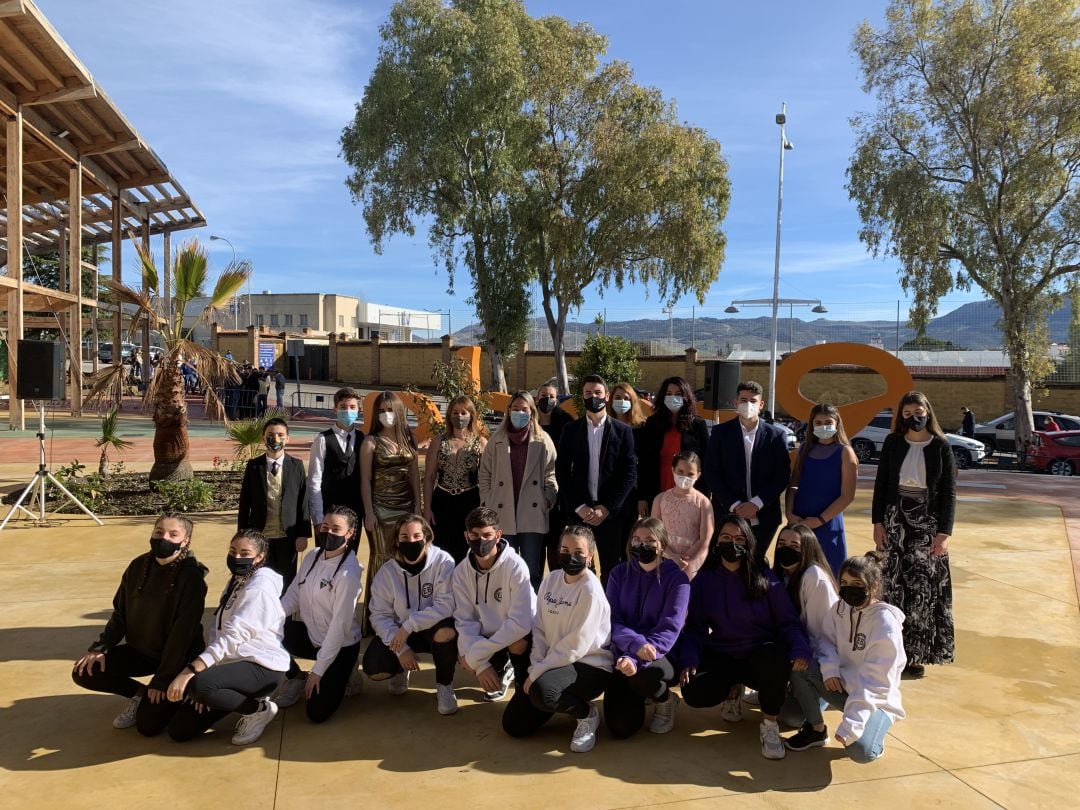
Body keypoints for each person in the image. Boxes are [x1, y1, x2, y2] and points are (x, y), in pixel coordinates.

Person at [678, 514, 812, 760]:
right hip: (723, 653)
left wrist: (800, 649)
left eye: (739, 538)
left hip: (759, 654)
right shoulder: (705, 580)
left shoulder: (764, 578)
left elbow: (788, 622)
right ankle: (732, 690)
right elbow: (695, 627)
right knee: (693, 692)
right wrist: (689, 658)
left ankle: (769, 725)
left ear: (749, 543)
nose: (732, 543)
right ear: (717, 542)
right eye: (726, 537)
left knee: (774, 658)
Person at [72, 513, 208, 736]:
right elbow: (120, 614)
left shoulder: (191, 577)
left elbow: (182, 635)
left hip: (177, 658)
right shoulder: (137, 566)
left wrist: (162, 680)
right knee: (85, 671)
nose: (164, 538)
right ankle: (139, 695)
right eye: (159, 532)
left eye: (173, 534)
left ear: (185, 541)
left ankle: (180, 693)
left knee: (148, 726)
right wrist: (101, 647)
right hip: (142, 652)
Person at [165, 530, 289, 745]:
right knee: (179, 731)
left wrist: (192, 673)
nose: (237, 558)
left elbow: (233, 636)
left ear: (259, 557)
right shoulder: (238, 579)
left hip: (262, 666)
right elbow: (218, 629)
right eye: (233, 551)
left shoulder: (259, 588)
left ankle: (259, 709)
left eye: (245, 553)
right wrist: (214, 673)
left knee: (200, 685)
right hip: (232, 664)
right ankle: (235, 695)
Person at [784, 551, 906, 763]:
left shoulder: (885, 624)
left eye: (857, 583)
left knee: (860, 751)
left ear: (874, 586)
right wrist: (830, 670)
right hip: (842, 687)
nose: (849, 589)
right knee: (798, 681)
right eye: (844, 582)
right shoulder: (840, 608)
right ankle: (816, 729)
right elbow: (826, 642)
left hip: (876, 699)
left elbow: (875, 682)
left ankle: (875, 736)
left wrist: (852, 724)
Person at [502, 525, 613, 753]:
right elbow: (540, 628)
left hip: (589, 665)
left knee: (544, 691)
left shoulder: (590, 590)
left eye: (578, 552)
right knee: (514, 725)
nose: (570, 556)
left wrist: (537, 672)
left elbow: (575, 646)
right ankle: (552, 697)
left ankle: (586, 714)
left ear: (590, 557)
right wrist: (537, 664)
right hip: (554, 662)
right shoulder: (551, 579)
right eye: (564, 549)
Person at [872, 391, 955, 679]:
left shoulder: (941, 446)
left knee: (922, 588)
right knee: (894, 584)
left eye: (918, 411)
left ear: (928, 411)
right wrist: (878, 523)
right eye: (907, 413)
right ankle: (893, 650)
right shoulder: (893, 442)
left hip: (927, 523)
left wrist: (944, 533)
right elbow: (881, 484)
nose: (913, 417)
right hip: (895, 519)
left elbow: (948, 493)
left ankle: (917, 655)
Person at [275, 506, 364, 723]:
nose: (329, 533)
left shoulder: (348, 573)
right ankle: (296, 677)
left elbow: (339, 627)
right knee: (268, 633)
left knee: (316, 712)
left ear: (350, 533)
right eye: (325, 527)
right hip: (313, 637)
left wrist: (319, 669)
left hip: (340, 646)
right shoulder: (313, 556)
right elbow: (294, 595)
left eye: (336, 529)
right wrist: (267, 619)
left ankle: (347, 672)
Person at [362, 514, 459, 715]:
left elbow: (447, 605)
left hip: (431, 629)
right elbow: (379, 615)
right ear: (396, 541)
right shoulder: (387, 571)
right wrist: (401, 649)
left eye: (417, 536)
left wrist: (409, 626)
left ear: (426, 537)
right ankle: (400, 668)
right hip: (400, 635)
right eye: (404, 537)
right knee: (374, 667)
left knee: (447, 633)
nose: (411, 541)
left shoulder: (443, 561)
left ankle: (444, 686)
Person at [603, 518, 690, 738]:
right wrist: (634, 646)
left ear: (662, 545)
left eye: (650, 540)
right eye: (637, 539)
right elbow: (611, 620)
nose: (642, 545)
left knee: (646, 676)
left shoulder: (678, 579)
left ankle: (665, 700)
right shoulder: (618, 574)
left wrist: (638, 656)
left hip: (661, 652)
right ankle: (640, 694)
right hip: (623, 651)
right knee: (620, 728)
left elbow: (670, 627)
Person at [556, 374, 638, 585]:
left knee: (611, 568)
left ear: (607, 396)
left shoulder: (623, 431)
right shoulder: (571, 430)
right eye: (588, 393)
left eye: (598, 393)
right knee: (579, 567)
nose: (594, 397)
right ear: (582, 397)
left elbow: (629, 473)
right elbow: (562, 472)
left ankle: (608, 613)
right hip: (580, 512)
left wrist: (607, 507)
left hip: (609, 514)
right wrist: (579, 506)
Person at [452, 506, 535, 701]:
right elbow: (465, 620)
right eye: (474, 535)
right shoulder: (461, 572)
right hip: (489, 637)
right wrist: (481, 665)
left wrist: (475, 656)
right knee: (461, 649)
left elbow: (521, 624)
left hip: (520, 633)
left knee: (517, 643)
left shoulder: (515, 566)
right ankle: (501, 666)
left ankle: (522, 680)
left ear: (498, 535)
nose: (481, 541)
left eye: (487, 535)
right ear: (466, 536)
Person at [704, 380, 791, 562]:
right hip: (727, 515)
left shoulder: (776, 436)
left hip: (765, 516)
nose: (748, 405)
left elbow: (782, 475)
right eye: (743, 400)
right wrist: (735, 505)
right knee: (727, 563)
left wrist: (757, 504)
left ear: (761, 405)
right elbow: (712, 473)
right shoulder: (720, 433)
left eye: (753, 401)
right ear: (735, 403)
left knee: (755, 563)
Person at [479, 391, 558, 590]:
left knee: (531, 569)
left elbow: (551, 473)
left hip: (531, 513)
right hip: (502, 512)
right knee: (505, 567)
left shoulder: (543, 440)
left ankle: (532, 615)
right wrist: (488, 501)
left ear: (532, 412)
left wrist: (547, 498)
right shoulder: (496, 439)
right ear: (508, 411)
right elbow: (485, 473)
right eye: (516, 409)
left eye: (524, 410)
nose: (520, 413)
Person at [361, 391, 422, 607]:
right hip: (379, 509)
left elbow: (414, 474)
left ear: (399, 412)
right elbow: (365, 480)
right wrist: (368, 512)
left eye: (390, 410)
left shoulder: (410, 438)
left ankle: (403, 609)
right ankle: (377, 612)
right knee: (382, 557)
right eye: (381, 411)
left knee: (404, 557)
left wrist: (418, 506)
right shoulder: (371, 442)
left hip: (406, 509)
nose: (386, 414)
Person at [238, 417, 311, 592]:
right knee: (259, 579)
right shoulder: (254, 466)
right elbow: (245, 501)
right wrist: (242, 534)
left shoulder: (297, 466)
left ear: (288, 438)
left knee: (287, 581)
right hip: (260, 536)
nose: (275, 439)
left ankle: (284, 618)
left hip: (288, 536)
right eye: (271, 435)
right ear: (263, 437)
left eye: (280, 435)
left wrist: (303, 534)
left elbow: (303, 501)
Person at [785, 403, 858, 576]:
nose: (823, 426)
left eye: (828, 422)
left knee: (828, 575)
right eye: (818, 422)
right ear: (812, 425)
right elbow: (793, 484)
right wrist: (789, 513)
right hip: (799, 521)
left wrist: (819, 520)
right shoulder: (804, 449)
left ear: (837, 423)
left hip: (827, 523)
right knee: (795, 573)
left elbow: (847, 496)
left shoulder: (845, 452)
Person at [424, 395, 487, 563]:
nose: (459, 417)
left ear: (471, 415)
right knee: (440, 551)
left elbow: (487, 478)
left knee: (467, 552)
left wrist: (484, 506)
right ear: (449, 415)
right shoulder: (439, 441)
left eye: (464, 412)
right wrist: (427, 508)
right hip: (442, 502)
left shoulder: (480, 442)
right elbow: (429, 477)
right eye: (455, 412)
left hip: (470, 502)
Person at [635, 375, 711, 516]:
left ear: (686, 397)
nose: (673, 397)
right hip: (657, 490)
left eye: (678, 394)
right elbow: (644, 463)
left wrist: (704, 497)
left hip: (689, 493)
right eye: (668, 394)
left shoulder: (698, 425)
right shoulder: (652, 424)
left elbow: (706, 463)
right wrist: (642, 497)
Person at [308, 387, 365, 550]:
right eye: (343, 407)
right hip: (329, 513)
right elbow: (314, 480)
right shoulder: (323, 439)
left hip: (354, 513)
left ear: (358, 410)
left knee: (349, 560)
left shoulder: (363, 439)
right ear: (335, 409)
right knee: (326, 559)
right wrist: (318, 519)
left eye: (352, 407)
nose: (348, 411)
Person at [650, 450, 714, 579]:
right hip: (664, 558)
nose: (685, 477)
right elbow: (654, 533)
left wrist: (685, 559)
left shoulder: (703, 502)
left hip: (693, 561)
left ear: (698, 475)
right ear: (673, 469)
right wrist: (673, 556)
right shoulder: (660, 499)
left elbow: (705, 538)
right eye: (681, 472)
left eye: (690, 474)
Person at [536, 381, 573, 576]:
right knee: (535, 545)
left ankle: (556, 582)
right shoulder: (528, 422)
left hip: (556, 493)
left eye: (551, 396)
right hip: (531, 492)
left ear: (557, 400)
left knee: (555, 541)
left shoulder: (566, 425)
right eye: (543, 396)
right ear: (536, 398)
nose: (547, 400)